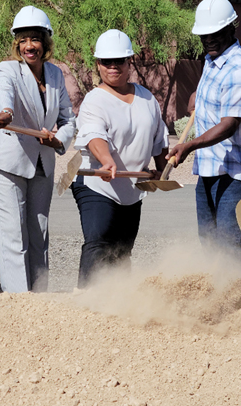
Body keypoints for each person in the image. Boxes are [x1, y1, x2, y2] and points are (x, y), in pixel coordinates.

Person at [167, 0, 241, 270]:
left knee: (230, 242)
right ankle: (213, 298)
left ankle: (240, 303)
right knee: (209, 241)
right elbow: (208, 87)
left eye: (215, 33)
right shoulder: (213, 58)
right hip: (211, 166)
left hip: (237, 171)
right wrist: (197, 96)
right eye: (204, 35)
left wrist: (189, 145)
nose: (209, 39)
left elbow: (230, 124)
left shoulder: (240, 69)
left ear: (232, 27)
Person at [0, 6, 76, 293]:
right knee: (13, 234)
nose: (28, 46)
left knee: (39, 233)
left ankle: (39, 300)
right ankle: (17, 303)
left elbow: (68, 119)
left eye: (34, 39)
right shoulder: (7, 69)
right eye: (22, 40)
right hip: (6, 163)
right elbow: (4, 92)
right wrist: (6, 112)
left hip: (42, 162)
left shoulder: (56, 74)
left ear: (45, 42)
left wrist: (58, 141)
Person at [71, 29, 169, 288]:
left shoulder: (147, 98)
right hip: (97, 184)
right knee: (99, 241)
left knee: (122, 252)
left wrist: (162, 170)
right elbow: (93, 134)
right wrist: (105, 160)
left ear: (129, 62)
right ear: (98, 64)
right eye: (106, 61)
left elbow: (158, 140)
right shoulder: (94, 100)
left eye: (119, 61)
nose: (113, 66)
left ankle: (119, 305)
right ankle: (87, 301)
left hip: (132, 189)